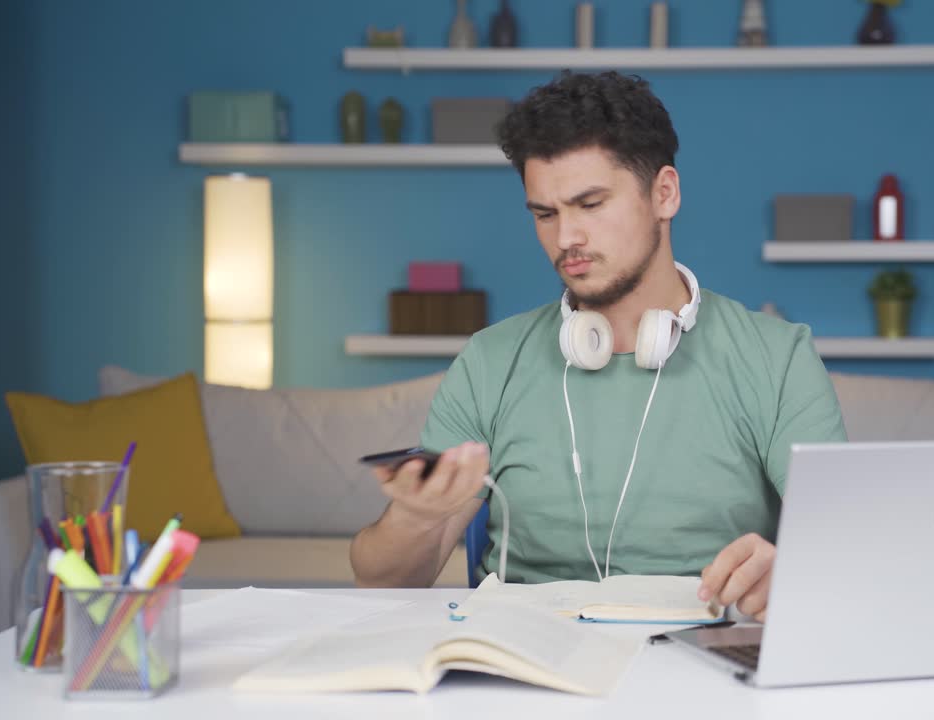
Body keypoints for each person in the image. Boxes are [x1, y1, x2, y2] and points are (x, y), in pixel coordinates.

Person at [350, 70, 846, 621]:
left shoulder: (777, 358)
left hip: (706, 656)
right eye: (545, 213)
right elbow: (382, 582)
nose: (566, 239)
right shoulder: (489, 362)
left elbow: (847, 551)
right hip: (524, 665)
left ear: (664, 193)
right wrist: (416, 519)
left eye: (590, 204)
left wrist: (791, 568)